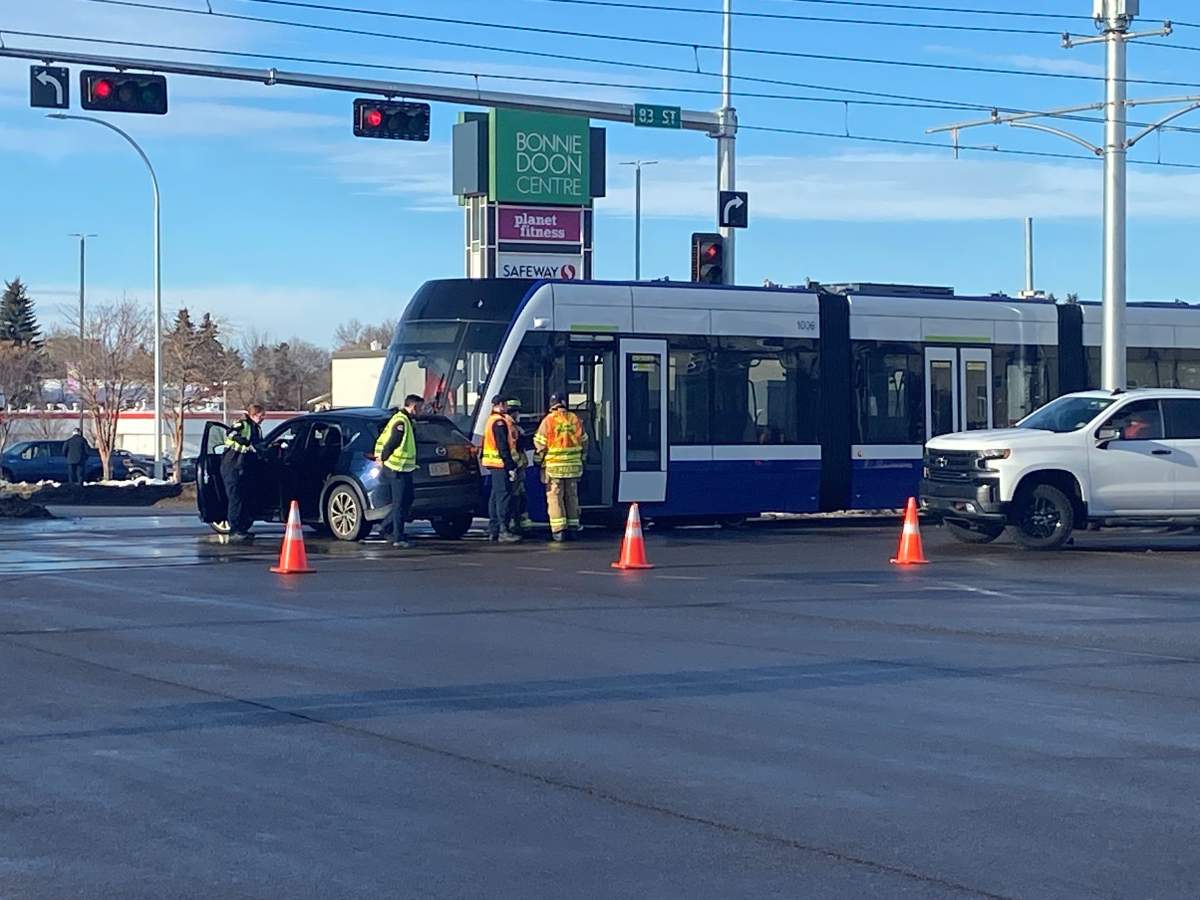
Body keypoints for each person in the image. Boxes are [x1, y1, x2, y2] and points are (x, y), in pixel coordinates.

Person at [534, 393, 588, 542]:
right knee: (572, 496)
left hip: (554, 467)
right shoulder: (574, 419)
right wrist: (582, 458)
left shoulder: (548, 420)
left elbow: (540, 445)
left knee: (555, 498)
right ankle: (573, 526)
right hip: (573, 467)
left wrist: (538, 461)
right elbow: (585, 441)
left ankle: (559, 530)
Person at [374, 394, 422, 549]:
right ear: (413, 406)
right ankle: (398, 537)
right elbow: (392, 443)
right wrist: (383, 458)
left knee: (407, 499)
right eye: (420, 407)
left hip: (404, 468)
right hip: (396, 468)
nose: (421, 410)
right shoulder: (401, 421)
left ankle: (386, 527)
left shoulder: (406, 420)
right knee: (399, 503)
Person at [221, 403, 267, 541]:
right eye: (261, 415)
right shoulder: (243, 424)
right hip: (232, 466)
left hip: (243, 468)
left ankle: (242, 528)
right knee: (236, 499)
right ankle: (234, 530)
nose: (263, 418)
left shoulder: (256, 428)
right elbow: (230, 433)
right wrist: (243, 441)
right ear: (253, 415)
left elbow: (258, 445)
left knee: (244, 498)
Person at [481, 395, 522, 543]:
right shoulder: (499, 422)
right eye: (505, 404)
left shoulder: (492, 420)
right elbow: (503, 446)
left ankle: (494, 530)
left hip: (494, 464)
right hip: (500, 464)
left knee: (495, 497)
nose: (507, 407)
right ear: (500, 404)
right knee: (503, 496)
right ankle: (503, 531)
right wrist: (510, 466)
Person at [504, 396, 535, 534]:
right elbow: (514, 448)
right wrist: (516, 464)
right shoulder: (511, 426)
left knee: (519, 494)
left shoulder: (511, 425)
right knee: (516, 495)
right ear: (514, 412)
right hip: (516, 467)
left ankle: (520, 521)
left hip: (516, 466)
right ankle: (516, 522)